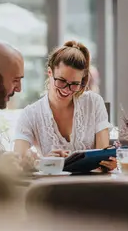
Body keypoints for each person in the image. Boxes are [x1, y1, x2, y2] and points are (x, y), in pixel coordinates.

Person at [13, 41, 115, 170]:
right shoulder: (30, 115)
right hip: (52, 188)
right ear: (50, 73)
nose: (67, 90)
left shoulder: (93, 103)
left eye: (74, 84)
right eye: (61, 81)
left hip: (91, 187)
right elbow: (17, 164)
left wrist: (109, 164)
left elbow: (102, 160)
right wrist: (44, 162)